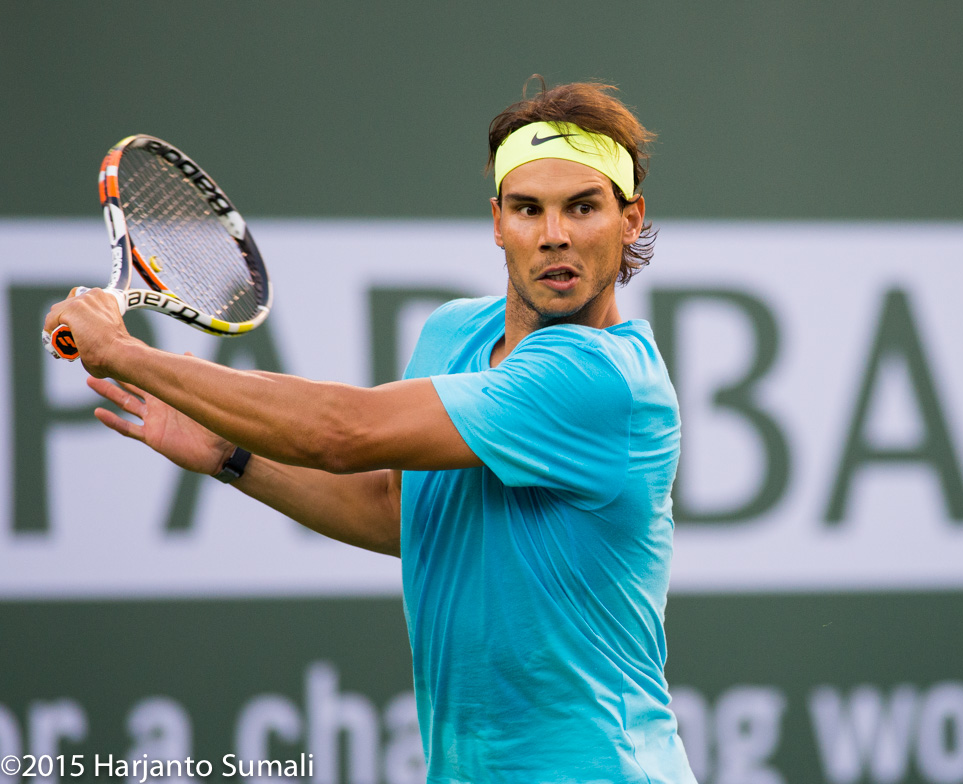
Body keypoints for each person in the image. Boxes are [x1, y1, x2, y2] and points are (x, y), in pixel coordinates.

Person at [44, 80, 696, 784]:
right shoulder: (455, 332)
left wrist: (127, 353)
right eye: (527, 208)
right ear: (498, 222)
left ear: (631, 220)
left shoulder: (605, 379)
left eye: (584, 208)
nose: (554, 234)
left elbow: (340, 432)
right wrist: (233, 456)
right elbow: (398, 511)